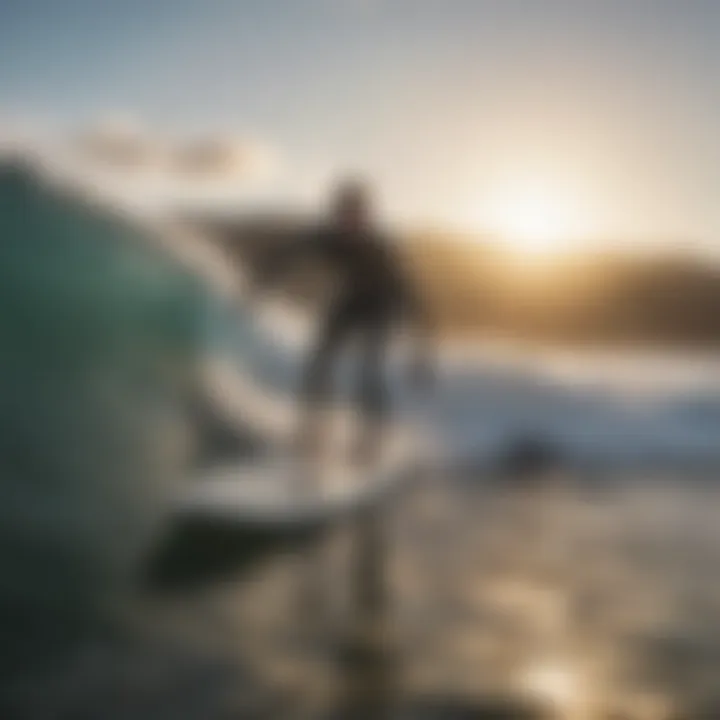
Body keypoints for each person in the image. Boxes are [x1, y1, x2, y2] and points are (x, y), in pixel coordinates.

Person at [253, 178, 434, 463]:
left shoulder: (379, 249)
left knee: (368, 372)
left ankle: (371, 438)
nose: (348, 221)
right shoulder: (326, 238)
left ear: (366, 217)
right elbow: (287, 255)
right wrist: (259, 286)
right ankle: (313, 430)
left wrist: (422, 351)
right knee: (319, 361)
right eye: (343, 214)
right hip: (350, 301)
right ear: (336, 215)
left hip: (380, 306)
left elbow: (410, 298)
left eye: (355, 215)